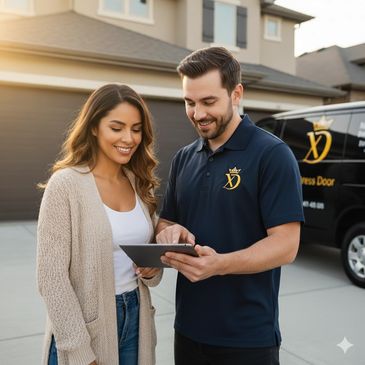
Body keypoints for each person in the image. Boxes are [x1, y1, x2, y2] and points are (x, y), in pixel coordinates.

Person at [156, 47, 304, 365]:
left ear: (236, 93)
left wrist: (219, 264)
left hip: (248, 340)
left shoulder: (272, 155)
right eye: (189, 102)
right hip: (188, 331)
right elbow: (165, 223)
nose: (198, 113)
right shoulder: (184, 158)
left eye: (209, 102)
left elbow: (286, 245)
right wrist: (170, 233)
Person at [37, 83, 162, 365]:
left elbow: (148, 255)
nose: (128, 138)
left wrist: (152, 268)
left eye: (136, 128)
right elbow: (51, 278)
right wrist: (80, 351)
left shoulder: (138, 183)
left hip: (137, 319)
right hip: (84, 328)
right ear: (94, 127)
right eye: (116, 128)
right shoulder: (66, 185)